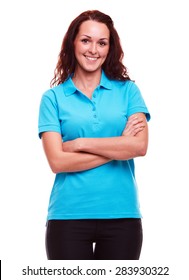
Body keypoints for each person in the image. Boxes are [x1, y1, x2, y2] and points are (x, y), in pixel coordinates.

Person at [38, 10, 150, 260]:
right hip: (67, 217)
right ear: (73, 43)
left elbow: (140, 146)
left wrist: (78, 144)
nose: (93, 49)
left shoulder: (129, 91)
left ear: (110, 48)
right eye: (86, 40)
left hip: (123, 217)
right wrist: (120, 146)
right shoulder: (52, 98)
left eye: (102, 43)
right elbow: (57, 162)